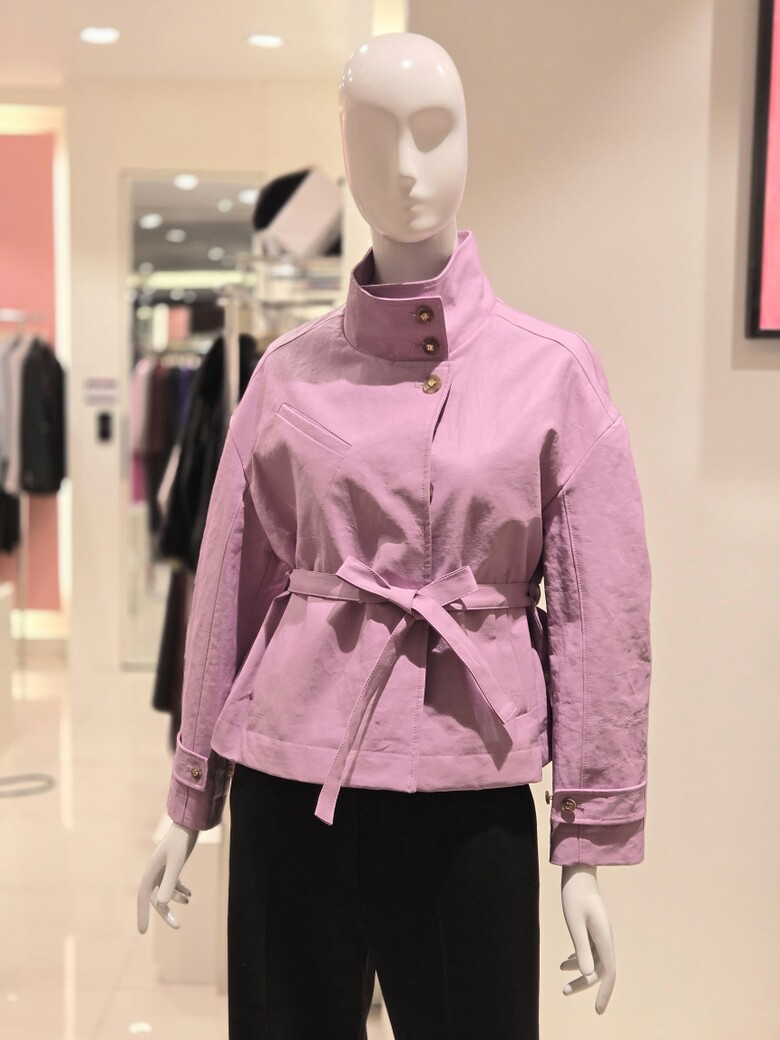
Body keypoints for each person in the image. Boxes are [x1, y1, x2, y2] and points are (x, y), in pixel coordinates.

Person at [137, 31, 652, 1040]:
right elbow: (231, 582)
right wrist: (189, 795)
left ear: (470, 142)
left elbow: (604, 615)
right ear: (342, 154)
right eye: (374, 135)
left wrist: (586, 839)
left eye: (432, 130)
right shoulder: (286, 373)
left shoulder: (552, 372)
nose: (406, 166)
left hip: (470, 781)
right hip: (292, 776)